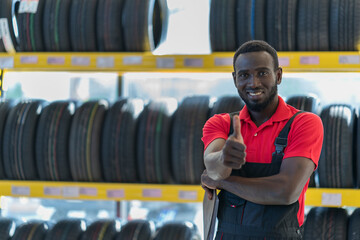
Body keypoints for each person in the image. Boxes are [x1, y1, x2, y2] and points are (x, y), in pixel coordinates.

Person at [201, 40, 323, 239]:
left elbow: (285, 192)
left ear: (278, 75)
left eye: (262, 73)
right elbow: (212, 166)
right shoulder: (221, 123)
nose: (253, 83)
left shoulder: (304, 123)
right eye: (244, 75)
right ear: (234, 79)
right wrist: (224, 158)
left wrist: (223, 181)